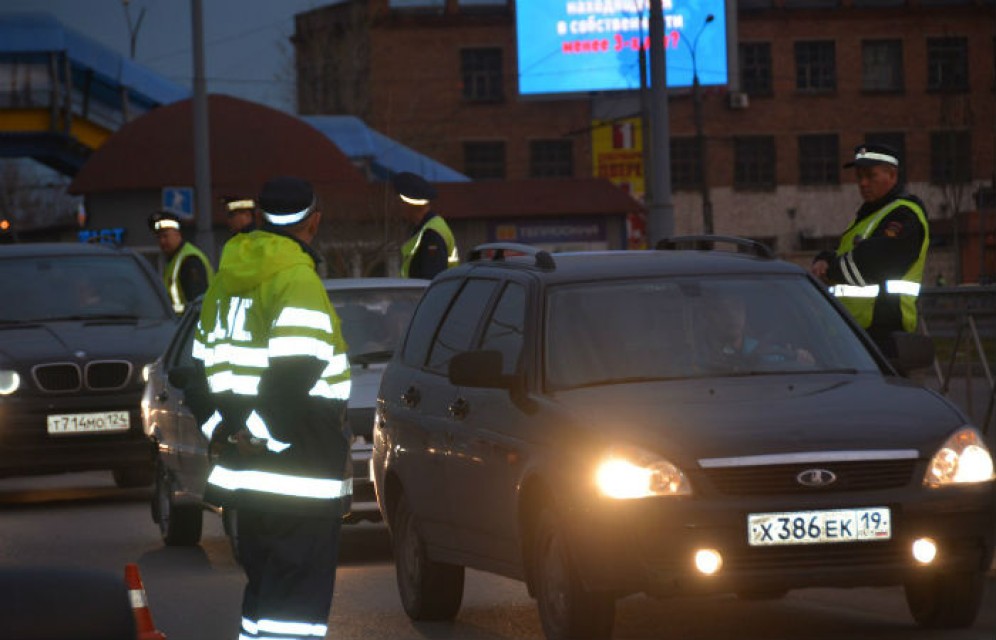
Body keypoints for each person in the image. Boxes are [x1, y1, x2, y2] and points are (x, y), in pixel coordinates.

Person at [191, 176, 352, 640]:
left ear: (259, 218)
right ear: (314, 222)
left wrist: (226, 431)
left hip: (248, 475)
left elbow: (198, 369)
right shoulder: (297, 279)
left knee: (264, 593)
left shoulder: (225, 280)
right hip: (297, 466)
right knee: (296, 603)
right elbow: (297, 370)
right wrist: (261, 434)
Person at [810, 143, 930, 352]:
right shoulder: (872, 213)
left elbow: (872, 263)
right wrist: (825, 258)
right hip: (857, 333)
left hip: (884, 334)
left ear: (892, 175)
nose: (863, 183)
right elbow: (850, 254)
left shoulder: (904, 215)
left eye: (871, 176)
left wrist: (829, 270)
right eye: (859, 176)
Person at [391, 171, 459, 279]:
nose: (398, 206)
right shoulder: (425, 229)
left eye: (400, 202)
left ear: (409, 205)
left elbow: (430, 279)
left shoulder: (431, 234)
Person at [148, 211, 214, 314]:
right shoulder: (173, 260)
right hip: (181, 324)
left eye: (165, 236)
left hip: (190, 326)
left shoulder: (189, 260)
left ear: (178, 234)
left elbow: (197, 303)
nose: (162, 241)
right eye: (159, 237)